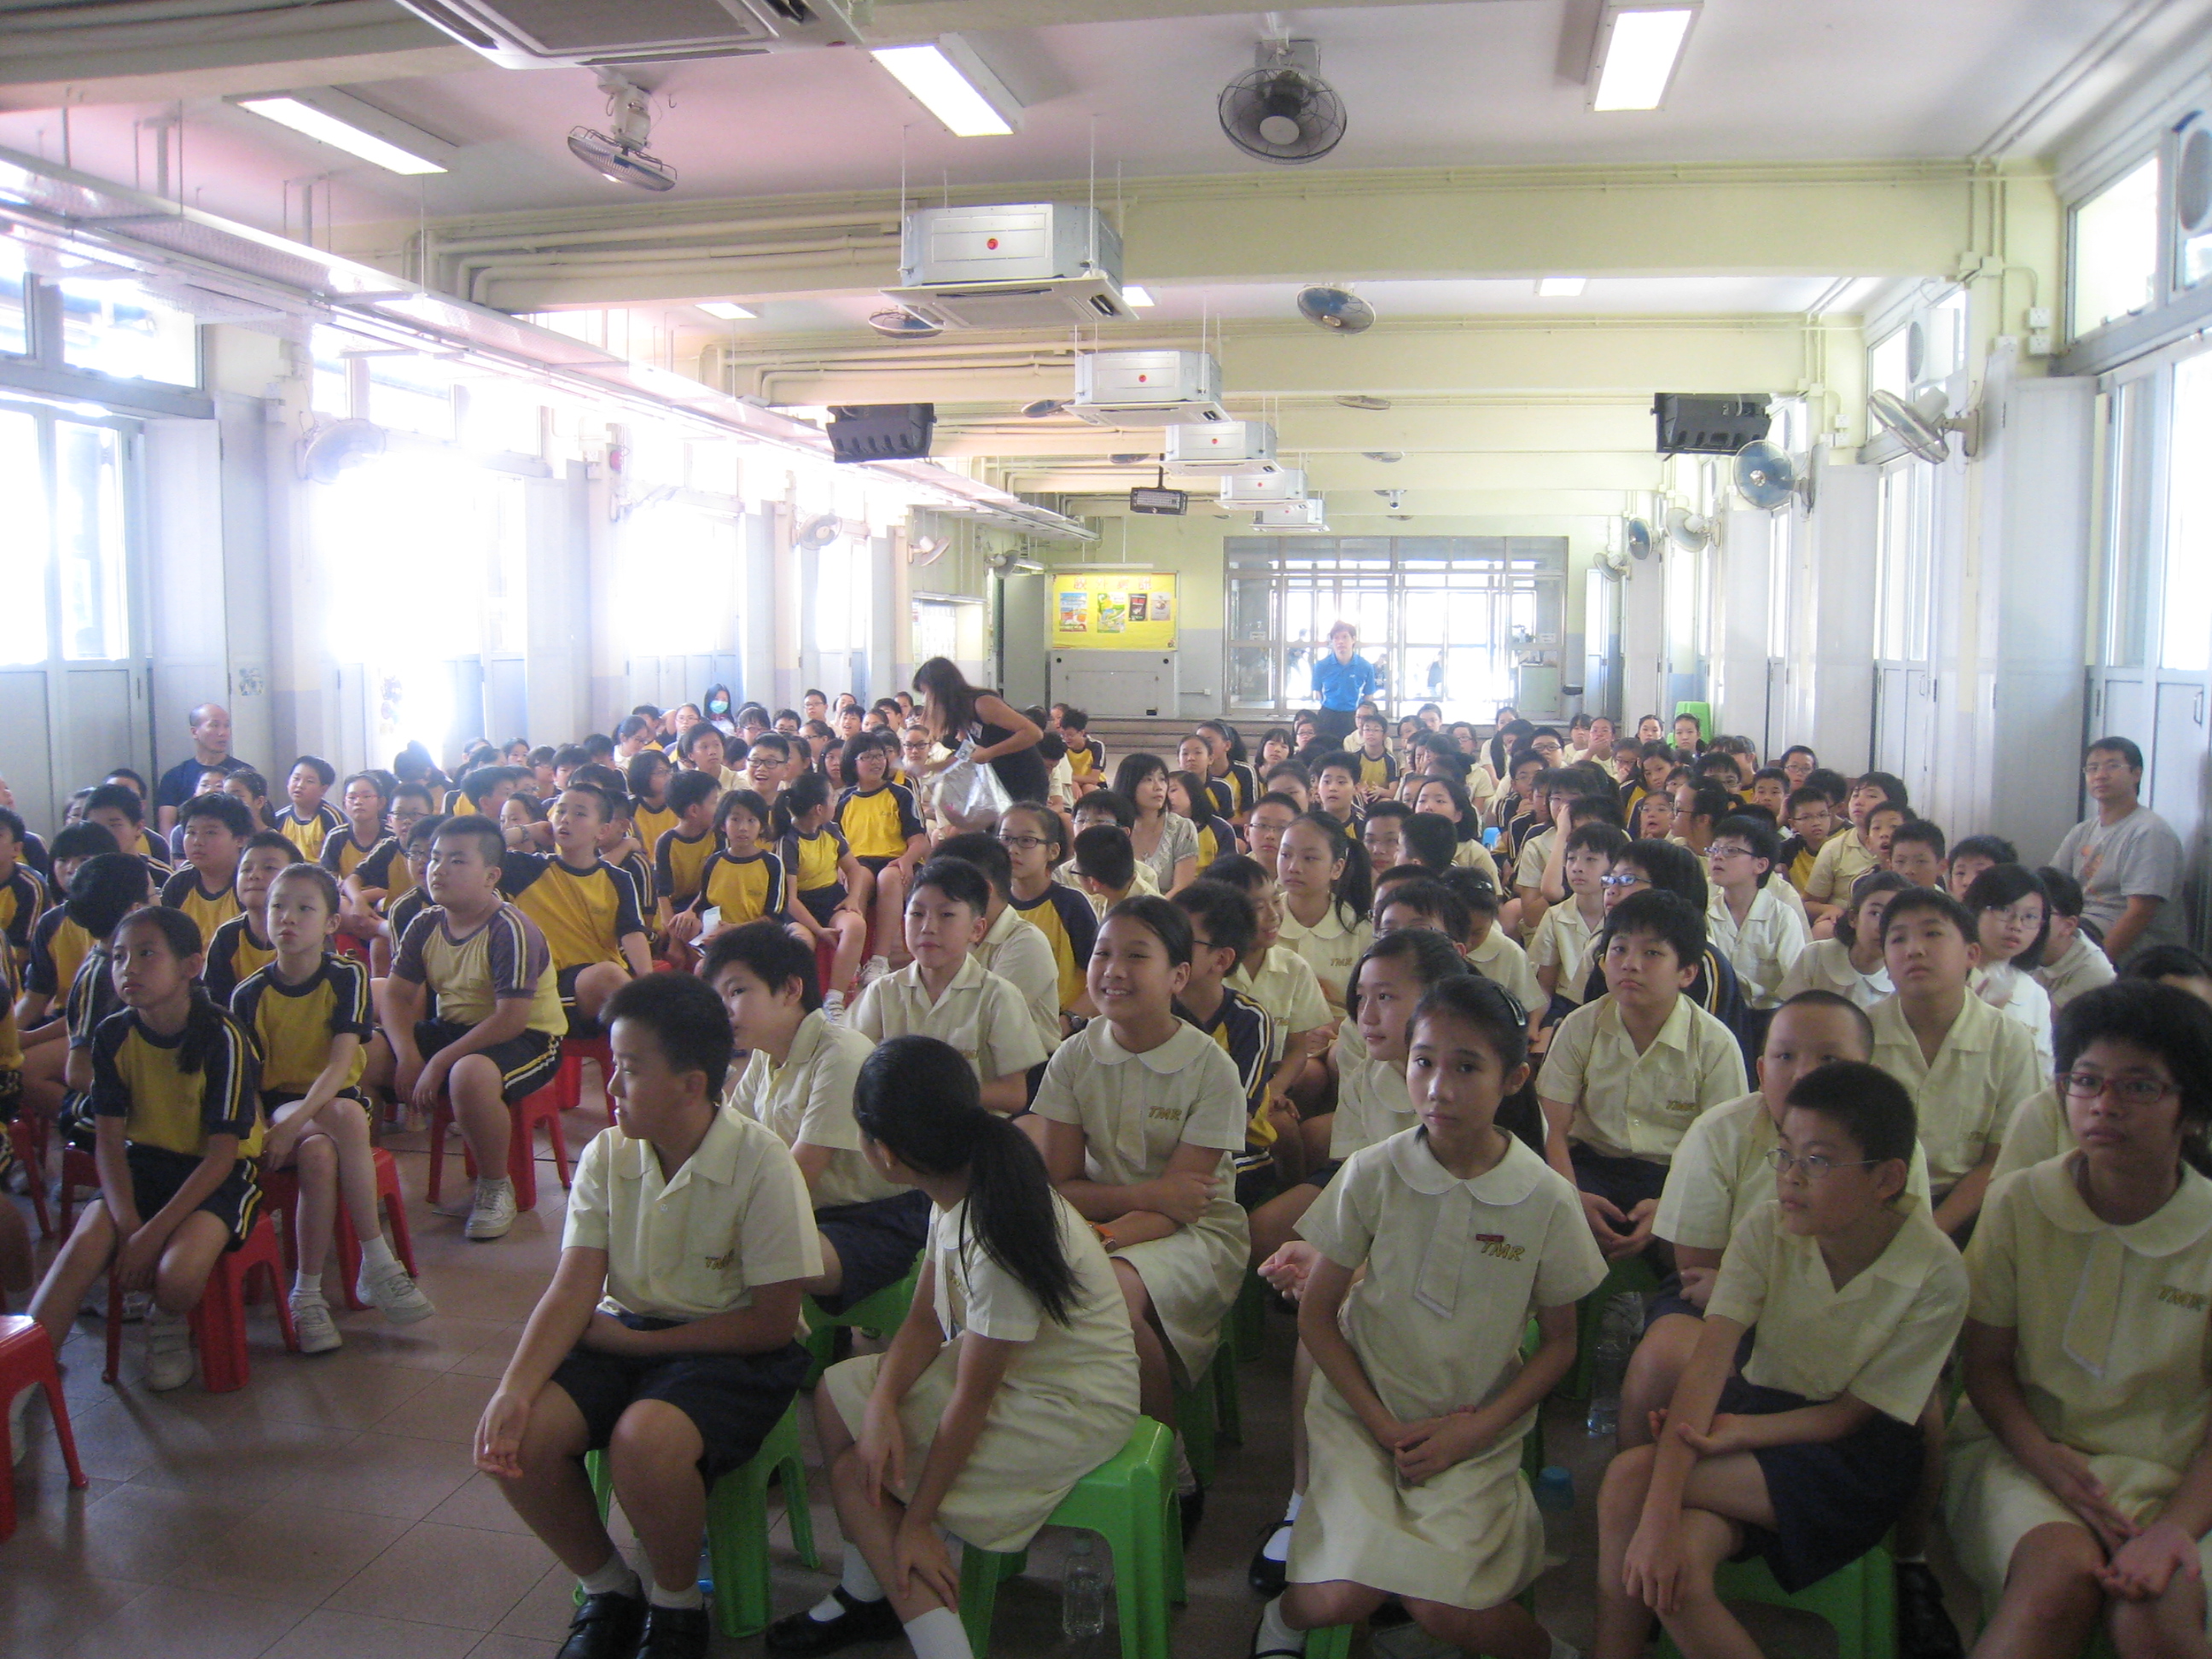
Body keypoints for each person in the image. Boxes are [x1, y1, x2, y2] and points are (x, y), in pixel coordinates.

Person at [1251, 975, 1601, 1659]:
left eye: (1466, 1066)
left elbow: (1561, 1345)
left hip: (1469, 1424)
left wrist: (1473, 1431)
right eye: (1424, 1061)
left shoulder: (1545, 1198)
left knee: (1446, 1607)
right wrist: (1380, 1423)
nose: (1438, 1086)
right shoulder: (1374, 1173)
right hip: (1361, 1413)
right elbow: (1319, 1319)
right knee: (1338, 1598)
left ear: (1514, 1077)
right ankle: (1282, 1624)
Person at [474, 972, 818, 1659]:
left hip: (733, 1349)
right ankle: (608, 1590)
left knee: (645, 1441)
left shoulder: (762, 1163)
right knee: (522, 1439)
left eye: (629, 1070)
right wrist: (512, 1389)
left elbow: (773, 1324)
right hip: (625, 1331)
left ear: (692, 1085)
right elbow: (574, 1288)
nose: (611, 1087)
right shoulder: (609, 1153)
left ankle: (677, 1607)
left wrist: (634, 1351)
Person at [765, 1035, 1140, 1659]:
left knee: (858, 1481)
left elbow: (971, 1399)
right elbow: (922, 1321)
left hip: (1068, 1405)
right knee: (836, 1397)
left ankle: (940, 1640)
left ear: (882, 1153)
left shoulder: (995, 1229)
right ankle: (870, 1594)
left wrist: (917, 1523)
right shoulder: (956, 1184)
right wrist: (883, 1401)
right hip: (1012, 1376)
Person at [1594, 1062, 1968, 1659]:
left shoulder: (1937, 1271)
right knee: (1672, 1555)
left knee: (1629, 1485)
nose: (1790, 1178)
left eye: (1818, 1161)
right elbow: (1709, 1363)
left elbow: (1848, 1417)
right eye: (1785, 1153)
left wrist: (1735, 1435)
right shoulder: (1767, 1228)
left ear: (1887, 1179)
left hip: (1854, 1456)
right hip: (1760, 1409)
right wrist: (1663, 1516)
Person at [1947, 980, 2212, 1659]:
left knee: (2156, 1609)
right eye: (2086, 1081)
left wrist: (2174, 1528)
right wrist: (2050, 1463)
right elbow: (1987, 1365)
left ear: (2193, 1108)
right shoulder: (2019, 1204)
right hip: (2026, 1454)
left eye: (2139, 1087)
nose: (2104, 1105)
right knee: (2055, 1581)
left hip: (2181, 1474)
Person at [1625, 991, 1935, 1449]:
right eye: (1785, 1055)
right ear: (1762, 1069)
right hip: (1718, 1304)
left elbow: (1895, 1266)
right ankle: (1647, 1474)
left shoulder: (1893, 1154)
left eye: (1829, 1058)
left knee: (1924, 1411)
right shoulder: (1720, 1131)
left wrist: (1766, 1301)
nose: (1805, 1074)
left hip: (1848, 1313)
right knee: (1664, 1359)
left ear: (1866, 1076)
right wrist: (1742, 1298)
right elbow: (1696, 1268)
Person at [1034, 896, 1249, 1525]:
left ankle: (1170, 1470)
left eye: (1136, 955)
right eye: (1102, 953)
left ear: (1179, 976)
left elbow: (1186, 1201)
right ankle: (1060, 1436)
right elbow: (1062, 1185)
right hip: (1100, 1220)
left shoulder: (1210, 1067)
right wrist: (1129, 1206)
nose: (1112, 970)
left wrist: (1113, 1229)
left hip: (1197, 1232)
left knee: (1112, 1297)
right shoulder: (1075, 1055)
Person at [25, 905, 264, 1392]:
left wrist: (151, 1236)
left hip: (216, 1174)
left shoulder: (224, 1036)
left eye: (146, 954)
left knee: (176, 1278)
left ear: (190, 966)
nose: (127, 968)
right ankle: (21, 1381)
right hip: (143, 1164)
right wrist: (129, 1223)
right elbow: (110, 1144)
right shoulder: (113, 1033)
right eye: (118, 956)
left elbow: (222, 1155)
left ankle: (166, 1319)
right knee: (78, 1253)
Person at [234, 863, 434, 1351]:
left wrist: (298, 1124)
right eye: (278, 906)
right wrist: (271, 1129)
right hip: (280, 1107)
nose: (287, 918)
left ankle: (307, 1295)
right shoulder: (250, 993)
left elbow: (342, 1062)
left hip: (328, 1100)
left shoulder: (346, 976)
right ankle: (376, 1259)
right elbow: (252, 1086)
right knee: (343, 1119)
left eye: (305, 909)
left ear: (329, 924)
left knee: (323, 1151)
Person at [707, 923, 934, 1321]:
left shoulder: (840, 1053)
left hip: (882, 1219)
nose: (724, 1009)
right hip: (810, 1211)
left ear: (792, 990)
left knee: (747, 1251)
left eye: (738, 991)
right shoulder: (765, 1055)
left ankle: (764, 1355)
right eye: (718, 996)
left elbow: (799, 1173)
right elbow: (729, 1138)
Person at [383, 814, 568, 1242]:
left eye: (456, 860)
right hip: (456, 1028)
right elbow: (394, 995)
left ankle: (494, 1185)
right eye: (434, 857)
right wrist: (410, 1055)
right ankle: (366, 1177)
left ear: (491, 876)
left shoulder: (510, 928)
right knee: (367, 1054)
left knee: (468, 1073)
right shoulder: (425, 923)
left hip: (529, 1038)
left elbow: (511, 1018)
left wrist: (439, 1063)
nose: (438, 869)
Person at [1538, 889, 1748, 1261]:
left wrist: (1668, 1207)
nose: (1630, 964)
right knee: (1550, 1232)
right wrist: (1573, 1198)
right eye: (1618, 949)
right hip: (1590, 1165)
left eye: (1652, 953)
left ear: (1687, 973)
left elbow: (1721, 1153)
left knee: (1698, 1251)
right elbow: (1552, 1129)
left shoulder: (1715, 1044)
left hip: (1676, 1176)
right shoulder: (1579, 1026)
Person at [1870, 886, 2045, 1239]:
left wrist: (1933, 1232)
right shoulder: (1859, 1032)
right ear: (1886, 963)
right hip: (1872, 1207)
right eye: (1898, 939)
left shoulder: (2009, 1040)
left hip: (1971, 1210)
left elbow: (2001, 1159)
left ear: (1971, 954)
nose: (1914, 949)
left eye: (1933, 933)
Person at [848, 859, 1046, 1116]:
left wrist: (937, 1094)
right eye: (917, 914)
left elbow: (1013, 1094)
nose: (928, 927)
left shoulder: (998, 996)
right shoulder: (882, 992)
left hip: (970, 1138)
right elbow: (851, 1064)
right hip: (897, 1132)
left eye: (947, 915)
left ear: (976, 929)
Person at [500, 784, 651, 1036]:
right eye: (560, 812)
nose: (566, 819)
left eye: (579, 814)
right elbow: (478, 848)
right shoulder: (526, 869)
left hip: (604, 988)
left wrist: (648, 981)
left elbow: (632, 933)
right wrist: (527, 831)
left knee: (632, 984)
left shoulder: (618, 879)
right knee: (609, 975)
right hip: (551, 988)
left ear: (602, 831)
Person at [2052, 736, 2188, 965]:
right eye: (2092, 768)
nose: (2100, 775)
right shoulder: (2083, 831)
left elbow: (2139, 914)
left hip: (2134, 946)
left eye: (2113, 766)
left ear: (2136, 774)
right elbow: (2050, 885)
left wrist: (2095, 967)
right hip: (2082, 927)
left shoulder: (2149, 832)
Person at [934, 832, 1062, 1062]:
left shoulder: (1026, 942)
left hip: (1027, 1073)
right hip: (962, 1064)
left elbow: (980, 1022)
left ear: (985, 889)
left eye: (947, 893)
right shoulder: (952, 934)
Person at [771, 774, 871, 1017]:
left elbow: (854, 869)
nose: (835, 803)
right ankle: (804, 1004)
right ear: (819, 808)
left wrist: (852, 898)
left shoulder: (831, 829)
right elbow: (790, 900)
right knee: (802, 941)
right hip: (800, 908)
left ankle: (834, 999)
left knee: (855, 925)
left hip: (831, 898)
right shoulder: (789, 842)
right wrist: (818, 931)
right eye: (832, 799)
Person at [995, 802, 1097, 1018]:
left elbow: (1100, 975)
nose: (1012, 849)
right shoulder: (992, 904)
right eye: (1005, 839)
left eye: (1026, 841)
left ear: (1052, 851)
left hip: (1059, 1026)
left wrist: (1069, 1021)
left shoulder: (1071, 904)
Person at [837, 735, 928, 976]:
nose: (875, 762)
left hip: (897, 860)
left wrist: (907, 860)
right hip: (860, 862)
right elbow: (835, 846)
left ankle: (879, 959)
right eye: (866, 757)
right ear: (852, 763)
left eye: (879, 755)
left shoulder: (900, 794)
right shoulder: (844, 800)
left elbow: (920, 841)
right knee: (859, 880)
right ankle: (854, 959)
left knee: (888, 877)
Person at [1703, 813, 1809, 1015]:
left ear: (1760, 865)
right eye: (1714, 849)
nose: (1717, 856)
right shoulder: (1705, 913)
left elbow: (1797, 984)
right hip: (1718, 1013)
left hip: (1769, 1015)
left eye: (1731, 850)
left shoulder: (1782, 917)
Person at [912, 656, 1051, 809]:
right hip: (998, 782)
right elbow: (966, 754)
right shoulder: (960, 713)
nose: (925, 700)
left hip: (1024, 778)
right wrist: (930, 768)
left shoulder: (982, 703)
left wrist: (990, 753)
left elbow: (1033, 733)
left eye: (926, 692)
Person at [1276, 812, 1374, 1016]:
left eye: (1309, 858)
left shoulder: (1360, 931)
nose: (1293, 867)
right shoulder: (1259, 922)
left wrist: (1341, 1032)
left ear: (1337, 868)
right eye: (1285, 855)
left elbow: (1370, 1009)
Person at [1777, 868, 1906, 1010]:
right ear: (1853, 918)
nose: (1883, 926)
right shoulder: (1816, 955)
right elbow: (1788, 1013)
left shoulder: (1903, 974)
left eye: (1894, 916)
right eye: (1875, 913)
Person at [1965, 864, 2056, 1065]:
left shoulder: (2035, 995)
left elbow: (2044, 1072)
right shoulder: (1944, 978)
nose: (2016, 925)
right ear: (1975, 909)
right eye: (2004, 910)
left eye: (2030, 917)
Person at [1802, 771, 1909, 927]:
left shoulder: (1909, 848)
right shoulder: (1834, 848)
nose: (1858, 802)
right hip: (1847, 925)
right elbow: (1808, 903)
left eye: (1871, 796)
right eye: (1855, 795)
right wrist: (1830, 909)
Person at [204, 831, 296, 1004]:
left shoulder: (310, 931)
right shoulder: (227, 936)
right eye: (246, 869)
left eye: (269, 868)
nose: (254, 875)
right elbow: (216, 1005)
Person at [154, 791, 252, 948]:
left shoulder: (252, 884)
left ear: (240, 839)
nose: (197, 841)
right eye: (191, 832)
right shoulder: (179, 884)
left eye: (210, 832)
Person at [154, 702, 253, 834]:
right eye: (214, 725)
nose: (223, 733)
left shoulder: (244, 773)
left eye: (226, 726)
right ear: (194, 732)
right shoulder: (175, 776)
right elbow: (167, 824)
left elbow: (254, 818)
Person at [651, 770, 723, 946]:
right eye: (714, 802)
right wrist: (674, 937)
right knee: (666, 935)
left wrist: (692, 911)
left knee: (696, 926)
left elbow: (712, 886)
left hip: (704, 902)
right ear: (694, 810)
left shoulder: (718, 836)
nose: (720, 808)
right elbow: (663, 895)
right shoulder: (666, 842)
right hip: (673, 909)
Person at [2033, 864, 2116, 1014]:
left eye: (2034, 915)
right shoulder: (2017, 944)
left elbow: (2041, 1024)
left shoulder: (2094, 970)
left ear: (2068, 925)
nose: (2018, 924)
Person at [1113, 754, 1200, 895]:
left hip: (1167, 911)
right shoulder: (1114, 828)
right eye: (1148, 780)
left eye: (1162, 779)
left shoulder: (1181, 827)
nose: (1158, 787)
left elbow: (1183, 886)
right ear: (1129, 784)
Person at [1309, 622, 1379, 746]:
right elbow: (1317, 692)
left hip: (1353, 716)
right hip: (1328, 716)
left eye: (1345, 637)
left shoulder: (1365, 666)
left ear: (1353, 639)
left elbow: (1369, 696)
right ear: (1332, 642)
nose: (1340, 641)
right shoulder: (1321, 666)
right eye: (1336, 638)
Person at [275, 755, 345, 863]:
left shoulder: (331, 817)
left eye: (309, 781)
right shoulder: (279, 818)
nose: (300, 785)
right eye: (296, 778)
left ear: (323, 789)